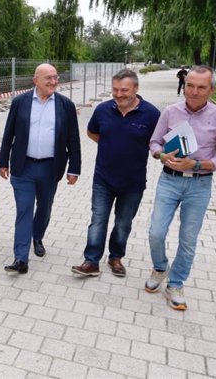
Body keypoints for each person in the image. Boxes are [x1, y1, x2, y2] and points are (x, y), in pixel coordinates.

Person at [145, 65, 216, 310]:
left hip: (200, 184)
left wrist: (197, 164)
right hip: (169, 180)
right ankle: (160, 267)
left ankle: (175, 283)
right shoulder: (170, 112)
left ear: (211, 89)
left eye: (201, 87)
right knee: (155, 232)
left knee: (188, 238)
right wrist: (160, 155)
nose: (194, 92)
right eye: (190, 86)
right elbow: (154, 142)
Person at [71, 69, 160, 278]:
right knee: (98, 220)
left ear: (136, 89)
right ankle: (91, 261)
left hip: (133, 181)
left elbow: (158, 142)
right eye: (115, 90)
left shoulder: (152, 114)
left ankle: (115, 257)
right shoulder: (102, 110)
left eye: (124, 90)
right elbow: (92, 132)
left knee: (123, 223)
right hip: (103, 177)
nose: (119, 94)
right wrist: (112, 145)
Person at [0, 63, 81, 274]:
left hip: (50, 167)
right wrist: (2, 161)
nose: (54, 81)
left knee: (44, 207)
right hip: (23, 166)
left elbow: (73, 139)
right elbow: (8, 134)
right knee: (24, 210)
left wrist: (75, 168)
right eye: (48, 78)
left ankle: (37, 236)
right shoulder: (20, 102)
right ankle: (21, 258)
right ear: (36, 80)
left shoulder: (66, 105)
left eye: (55, 77)